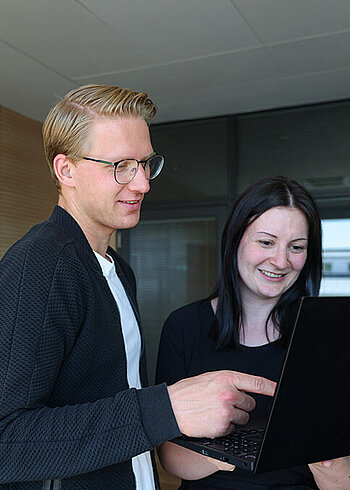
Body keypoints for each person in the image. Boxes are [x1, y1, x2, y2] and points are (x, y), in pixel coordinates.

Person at [0, 85, 275, 489]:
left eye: (146, 164)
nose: (143, 183)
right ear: (66, 170)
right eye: (122, 166)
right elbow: (7, 441)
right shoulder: (40, 265)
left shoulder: (117, 269)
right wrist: (166, 407)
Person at [156, 176, 350, 490]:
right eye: (266, 242)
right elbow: (170, 456)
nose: (280, 261)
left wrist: (323, 456)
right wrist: (240, 447)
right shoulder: (184, 326)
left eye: (296, 247)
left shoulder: (329, 338)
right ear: (236, 240)